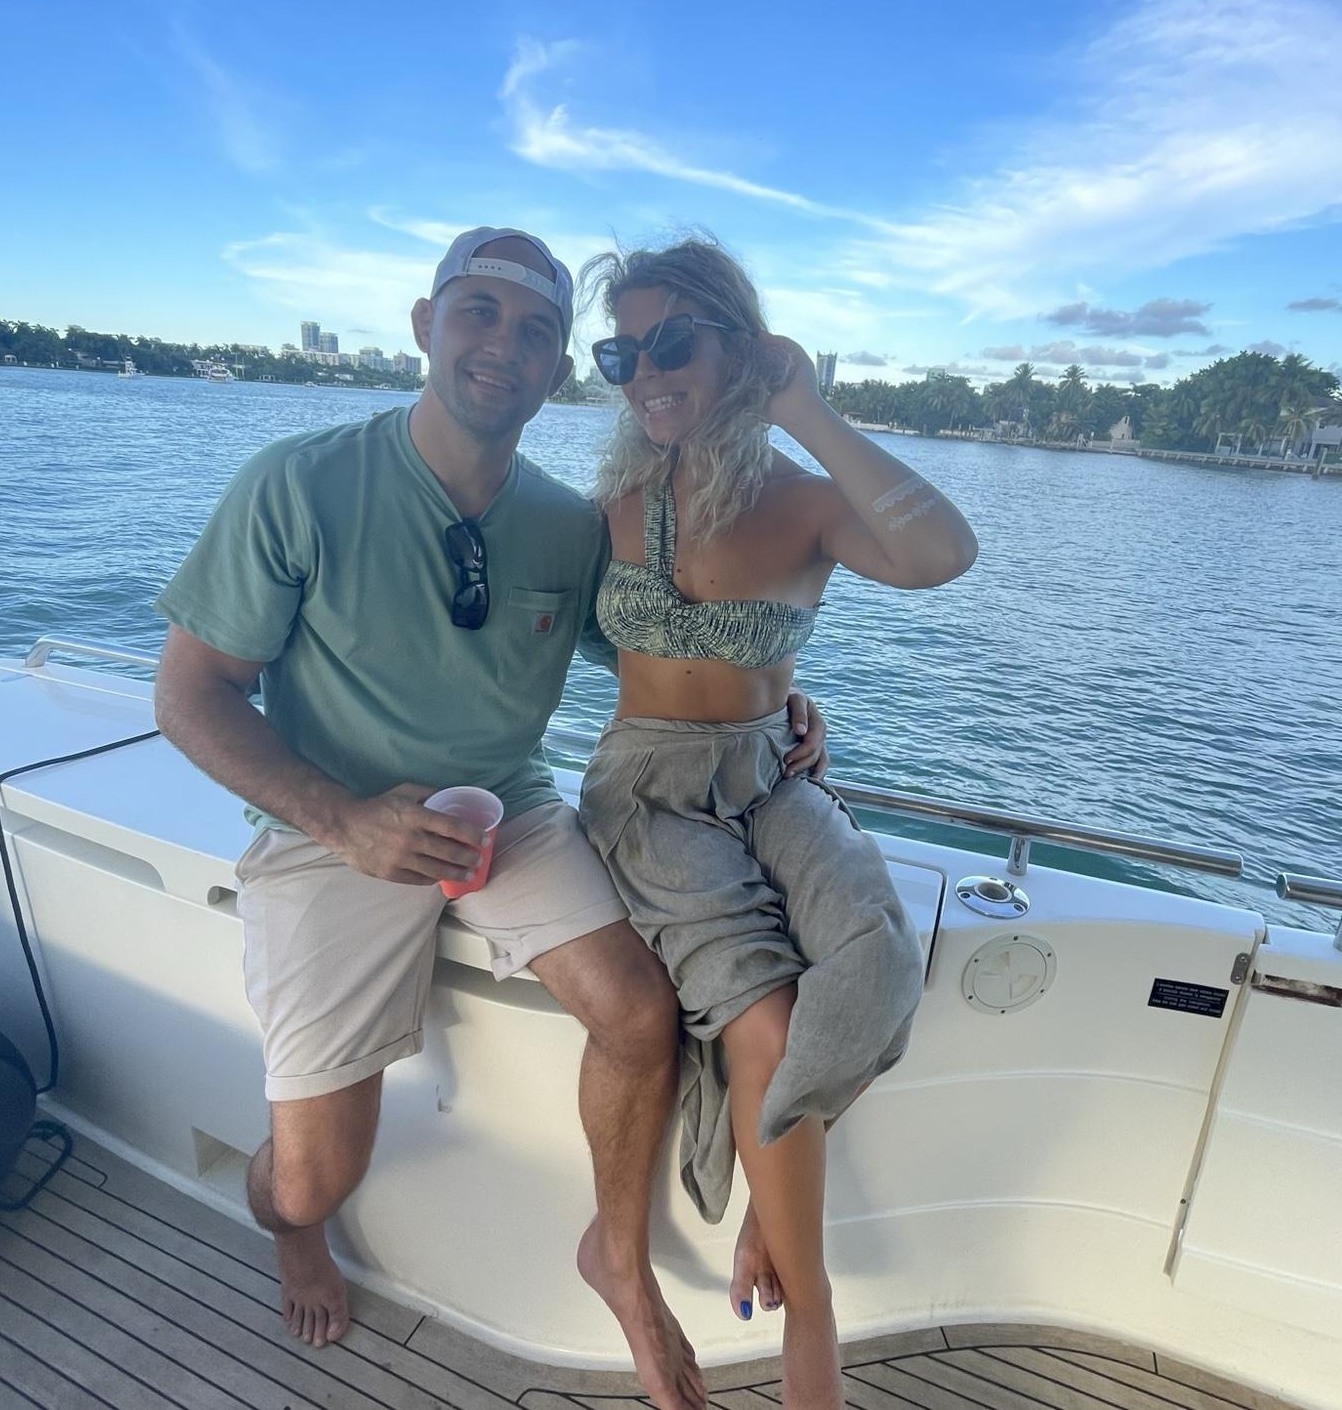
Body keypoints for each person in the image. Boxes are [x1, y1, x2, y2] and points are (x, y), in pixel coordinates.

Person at [152, 227, 826, 1410]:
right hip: (332, 829)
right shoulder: (299, 482)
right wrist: (345, 819)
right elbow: (190, 693)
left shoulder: (569, 526)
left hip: (506, 809)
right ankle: (295, 1234)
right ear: (427, 324)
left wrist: (780, 695)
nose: (502, 346)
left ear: (561, 367)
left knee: (639, 1012)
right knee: (312, 1179)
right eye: (478, 312)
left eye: (536, 331)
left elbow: (667, 650)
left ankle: (618, 1262)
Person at [576, 237, 978, 1410]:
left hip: (769, 773)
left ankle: (773, 1189)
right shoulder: (609, 508)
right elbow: (539, 642)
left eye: (672, 343)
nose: (647, 373)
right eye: (621, 353)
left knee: (875, 950)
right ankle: (813, 1322)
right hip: (650, 792)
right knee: (764, 1012)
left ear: (738, 347)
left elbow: (943, 554)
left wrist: (801, 401)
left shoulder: (804, 503)